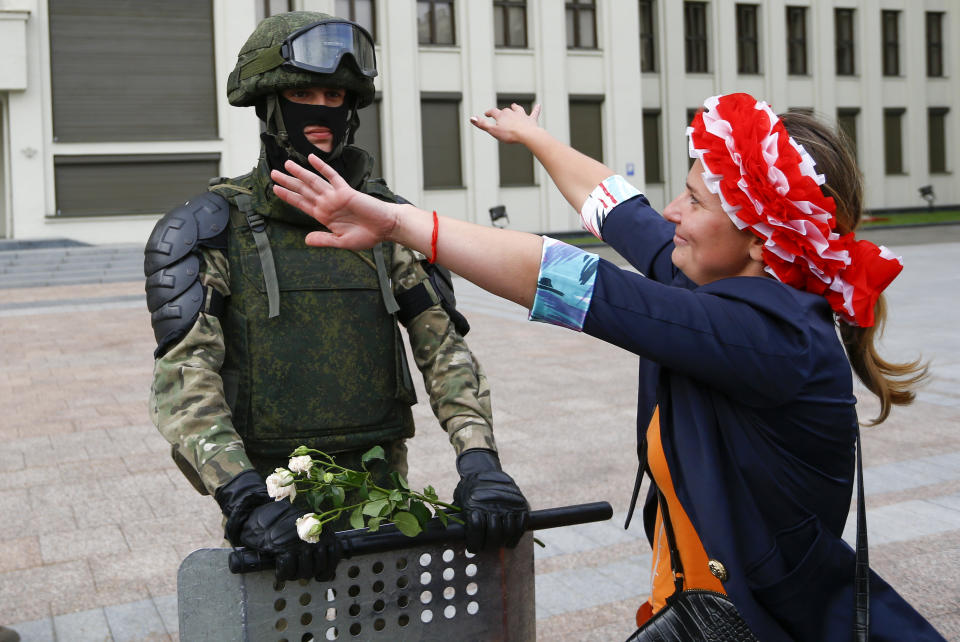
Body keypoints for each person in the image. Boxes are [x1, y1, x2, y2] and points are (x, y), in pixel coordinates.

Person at [270, 93, 945, 641]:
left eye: (697, 203)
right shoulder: (716, 288)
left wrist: (395, 222)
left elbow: (573, 280)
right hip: (701, 607)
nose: (675, 214)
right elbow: (620, 210)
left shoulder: (766, 338)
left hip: (751, 623)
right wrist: (535, 139)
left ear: (762, 239)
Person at [143, 11, 528, 582]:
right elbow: (185, 380)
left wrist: (479, 460)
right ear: (268, 103)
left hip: (380, 487)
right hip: (273, 499)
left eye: (335, 95)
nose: (322, 109)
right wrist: (245, 499)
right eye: (302, 92)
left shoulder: (386, 222)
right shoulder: (210, 227)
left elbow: (444, 350)